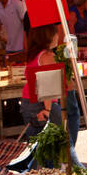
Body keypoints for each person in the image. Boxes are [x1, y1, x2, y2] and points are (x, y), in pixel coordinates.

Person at [21, 24, 80, 162]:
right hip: (43, 104)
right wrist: (48, 109)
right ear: (47, 37)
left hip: (30, 103)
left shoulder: (34, 54)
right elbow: (48, 84)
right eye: (55, 33)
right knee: (64, 148)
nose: (57, 36)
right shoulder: (47, 56)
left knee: (40, 151)